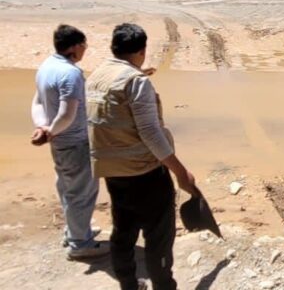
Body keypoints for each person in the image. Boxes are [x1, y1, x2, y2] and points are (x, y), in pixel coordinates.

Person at [86, 23, 198, 290]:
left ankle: (128, 284)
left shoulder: (96, 76)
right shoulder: (137, 83)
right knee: (159, 235)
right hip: (144, 172)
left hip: (113, 171)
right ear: (142, 51)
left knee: (123, 231)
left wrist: (138, 75)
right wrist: (181, 173)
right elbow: (150, 133)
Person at [31, 24, 109, 260]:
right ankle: (80, 244)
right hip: (75, 142)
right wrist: (51, 130)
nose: (85, 50)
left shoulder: (46, 66)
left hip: (60, 143)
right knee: (82, 191)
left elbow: (37, 103)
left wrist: (43, 128)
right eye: (84, 45)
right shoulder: (71, 73)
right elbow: (67, 113)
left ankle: (75, 231)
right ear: (75, 47)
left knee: (68, 187)